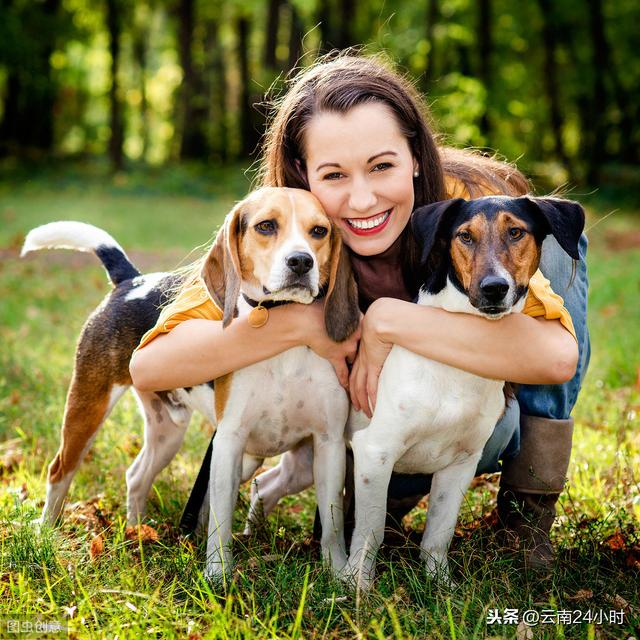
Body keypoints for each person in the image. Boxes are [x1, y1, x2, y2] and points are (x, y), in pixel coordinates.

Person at [130, 54, 589, 571]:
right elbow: (151, 368)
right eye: (333, 174)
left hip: (471, 422)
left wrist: (385, 321)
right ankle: (381, 497)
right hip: (372, 430)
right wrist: (301, 321)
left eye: (382, 166)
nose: (363, 198)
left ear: (416, 156)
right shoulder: (287, 228)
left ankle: (529, 512)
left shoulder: (469, 207)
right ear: (303, 177)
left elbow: (555, 358)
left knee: (553, 246)